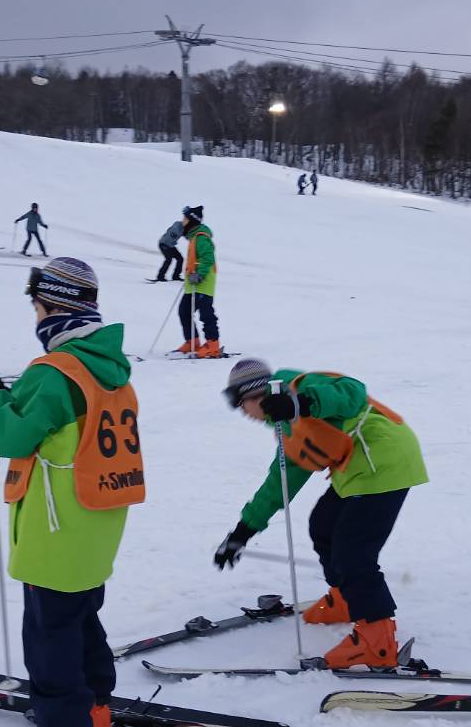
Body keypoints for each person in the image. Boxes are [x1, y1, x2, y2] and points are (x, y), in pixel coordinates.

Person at [0, 257, 143, 727]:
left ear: (53, 305)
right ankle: (95, 723)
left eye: (37, 305)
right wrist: (0, 390)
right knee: (80, 622)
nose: (35, 316)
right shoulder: (109, 369)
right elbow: (54, 421)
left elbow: (11, 436)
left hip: (56, 529)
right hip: (97, 521)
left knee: (50, 642)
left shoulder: (56, 370)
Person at [214, 359, 427, 667]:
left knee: (353, 552)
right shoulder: (287, 427)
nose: (242, 412)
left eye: (240, 403)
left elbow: (352, 392)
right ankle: (345, 599)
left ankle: (377, 640)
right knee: (323, 526)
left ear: (255, 395)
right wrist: (242, 532)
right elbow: (279, 485)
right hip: (358, 468)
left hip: (383, 458)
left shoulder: (300, 387)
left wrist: (301, 403)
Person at [173, 205, 221, 358]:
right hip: (192, 285)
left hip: (203, 284)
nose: (183, 222)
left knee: (206, 314)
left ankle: (213, 345)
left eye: (185, 219)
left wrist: (199, 274)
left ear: (192, 221)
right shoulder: (194, 238)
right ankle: (192, 341)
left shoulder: (201, 238)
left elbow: (208, 258)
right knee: (184, 311)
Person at [155, 217, 185, 281]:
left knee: (180, 258)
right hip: (163, 244)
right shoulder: (177, 224)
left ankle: (176, 276)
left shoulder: (185, 229)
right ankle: (160, 277)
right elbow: (174, 229)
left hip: (170, 246)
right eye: (184, 220)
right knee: (169, 259)